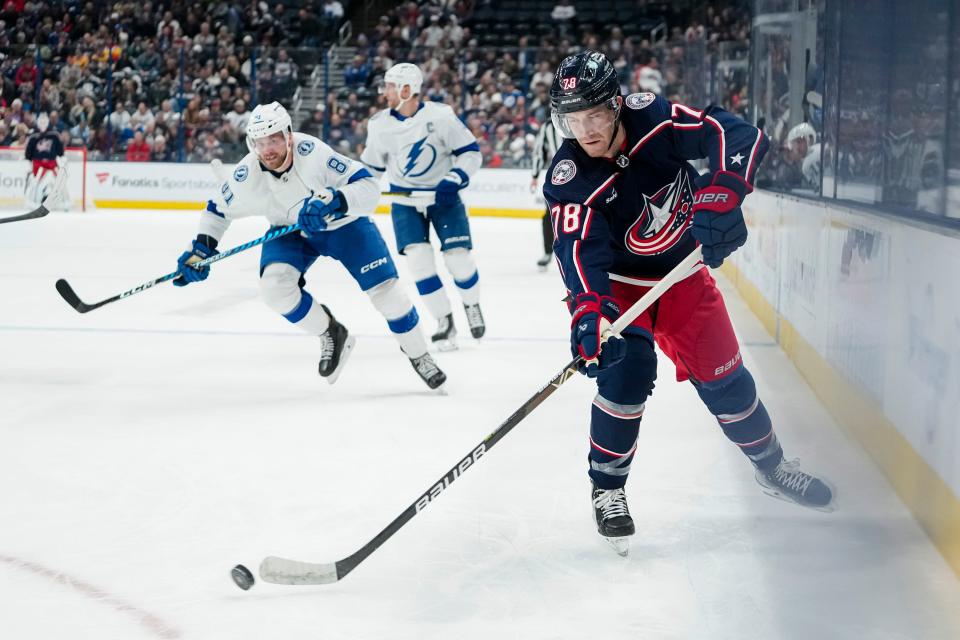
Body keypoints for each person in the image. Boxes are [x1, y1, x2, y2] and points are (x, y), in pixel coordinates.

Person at [544, 51, 833, 555]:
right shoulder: (570, 178)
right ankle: (608, 489)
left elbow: (733, 134)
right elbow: (575, 250)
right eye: (571, 118)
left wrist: (724, 191)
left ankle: (772, 468)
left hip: (684, 280)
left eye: (593, 114)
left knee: (729, 383)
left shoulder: (652, 118)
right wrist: (589, 311)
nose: (584, 130)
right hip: (616, 289)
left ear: (616, 105)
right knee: (625, 374)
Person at [171, 102, 446, 390]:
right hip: (289, 230)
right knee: (274, 289)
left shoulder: (313, 154)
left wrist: (335, 201)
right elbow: (216, 210)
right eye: (260, 142)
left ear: (289, 135)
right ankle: (331, 333)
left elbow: (368, 188)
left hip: (343, 225)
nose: (268, 149)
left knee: (388, 295)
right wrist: (201, 248)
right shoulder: (246, 176)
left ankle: (419, 354)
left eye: (274, 139)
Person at [361, 63, 485, 351]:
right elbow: (370, 169)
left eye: (391, 86)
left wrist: (454, 179)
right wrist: (350, 193)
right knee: (419, 264)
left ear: (407, 89)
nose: (386, 92)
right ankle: (444, 320)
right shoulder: (379, 124)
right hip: (405, 204)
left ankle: (471, 304)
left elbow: (470, 153)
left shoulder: (440, 116)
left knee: (459, 261)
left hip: (444, 199)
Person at [530, 115, 562, 270]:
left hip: (587, 174)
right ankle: (548, 252)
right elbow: (539, 151)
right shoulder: (548, 125)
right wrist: (535, 175)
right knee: (550, 215)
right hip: (559, 176)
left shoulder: (580, 118)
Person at [24, 113, 67, 209]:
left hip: (52, 163)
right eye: (41, 122)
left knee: (60, 181)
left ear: (48, 123)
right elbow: (28, 154)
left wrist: (62, 160)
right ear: (38, 123)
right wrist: (28, 164)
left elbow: (60, 152)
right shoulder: (33, 136)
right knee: (36, 182)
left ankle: (64, 202)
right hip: (38, 163)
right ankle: (33, 202)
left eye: (45, 122)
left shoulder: (54, 135)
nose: (43, 124)